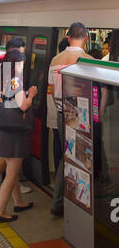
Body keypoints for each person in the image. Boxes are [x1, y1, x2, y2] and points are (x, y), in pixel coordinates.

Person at [49, 22, 93, 217]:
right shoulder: (87, 60)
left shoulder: (54, 60)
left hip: (61, 114)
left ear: (68, 37)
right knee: (77, 160)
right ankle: (62, 202)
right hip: (79, 118)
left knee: (66, 158)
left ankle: (64, 201)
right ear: (85, 38)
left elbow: (51, 91)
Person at [0, 37, 32, 196]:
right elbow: (21, 104)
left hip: (1, 117)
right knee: (9, 156)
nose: (23, 62)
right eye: (21, 58)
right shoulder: (11, 76)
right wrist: (30, 96)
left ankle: (13, 190)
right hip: (8, 120)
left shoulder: (2, 68)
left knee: (9, 157)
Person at [0, 49, 38, 223]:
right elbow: (23, 106)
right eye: (21, 63)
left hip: (4, 129)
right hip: (14, 133)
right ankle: (0, 212)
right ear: (16, 64)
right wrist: (31, 95)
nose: (23, 66)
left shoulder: (3, 79)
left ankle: (19, 202)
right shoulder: (15, 81)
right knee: (11, 174)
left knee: (12, 170)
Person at [47, 37, 70, 176]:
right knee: (64, 148)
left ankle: (57, 174)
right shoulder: (67, 65)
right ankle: (62, 175)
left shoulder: (54, 63)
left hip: (53, 113)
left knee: (57, 143)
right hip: (62, 113)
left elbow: (51, 89)